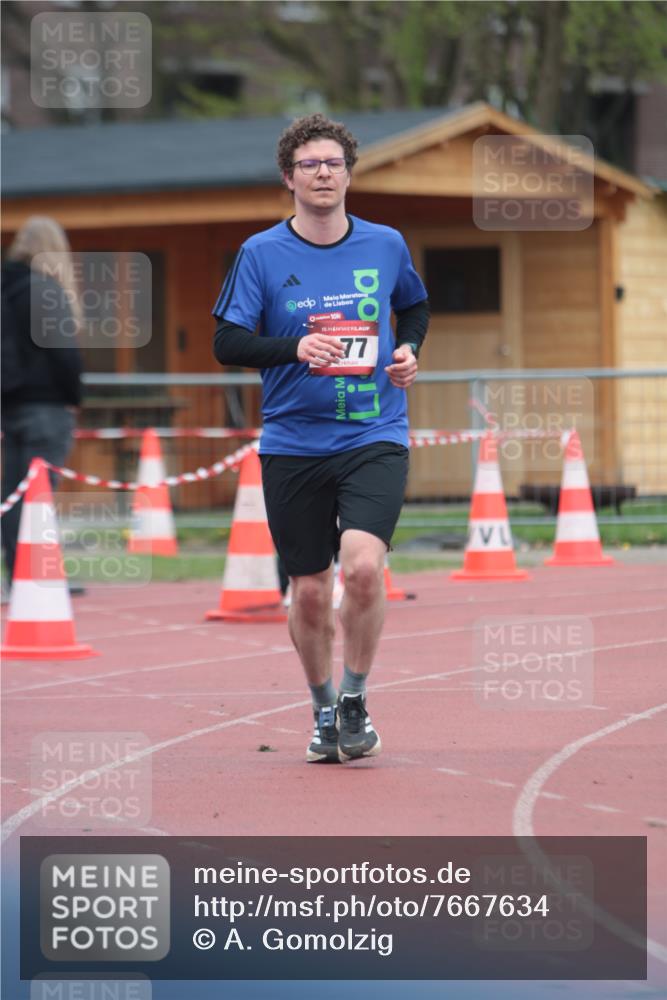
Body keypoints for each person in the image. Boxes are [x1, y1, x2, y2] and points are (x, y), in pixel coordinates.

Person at [212, 113, 429, 763]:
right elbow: (227, 342)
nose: (324, 173)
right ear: (289, 178)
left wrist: (409, 349)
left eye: (334, 163)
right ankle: (323, 706)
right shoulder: (260, 254)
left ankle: (355, 696)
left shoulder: (385, 243)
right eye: (310, 165)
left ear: (349, 174)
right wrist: (296, 347)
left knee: (361, 567)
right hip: (293, 443)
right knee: (309, 590)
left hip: (374, 432)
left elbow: (413, 306)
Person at [1, 216, 83, 589]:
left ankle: (19, 572)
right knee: (39, 493)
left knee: (14, 492)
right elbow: (63, 352)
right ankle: (38, 576)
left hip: (10, 404)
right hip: (47, 406)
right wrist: (73, 396)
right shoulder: (45, 290)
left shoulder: (7, 288)